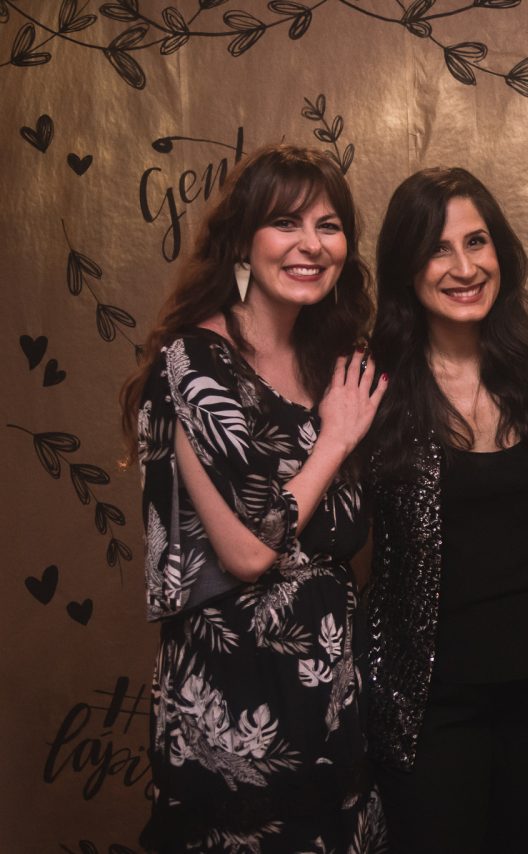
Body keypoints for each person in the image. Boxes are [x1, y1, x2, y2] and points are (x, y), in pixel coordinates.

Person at [119, 145, 388, 852]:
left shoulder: (330, 362)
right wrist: (334, 441)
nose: (311, 245)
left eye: (329, 226)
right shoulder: (195, 362)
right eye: (285, 223)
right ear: (243, 240)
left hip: (329, 707)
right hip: (237, 708)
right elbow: (247, 551)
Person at [361, 167, 528, 853]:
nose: (464, 267)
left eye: (476, 242)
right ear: (406, 268)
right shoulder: (372, 381)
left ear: (500, 250)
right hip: (430, 700)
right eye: (437, 249)